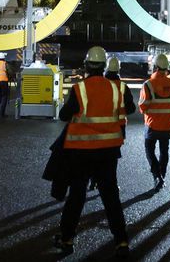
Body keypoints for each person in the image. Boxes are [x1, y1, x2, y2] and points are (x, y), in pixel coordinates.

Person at [55, 46, 131, 257]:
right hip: (108, 151)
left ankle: (67, 239)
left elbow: (64, 115)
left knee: (76, 197)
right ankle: (122, 241)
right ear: (104, 66)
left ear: (87, 65)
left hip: (81, 152)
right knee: (111, 198)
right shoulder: (116, 89)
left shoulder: (80, 89)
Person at [139, 52, 170, 191]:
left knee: (149, 150)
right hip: (167, 124)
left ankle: (157, 175)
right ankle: (162, 175)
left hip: (152, 124)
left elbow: (143, 106)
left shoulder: (148, 85)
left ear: (155, 66)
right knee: (165, 151)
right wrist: (168, 114)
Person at [0, 52, 12, 119]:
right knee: (4, 96)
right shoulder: (5, 64)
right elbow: (10, 72)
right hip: (3, 81)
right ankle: (2, 114)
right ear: (3, 58)